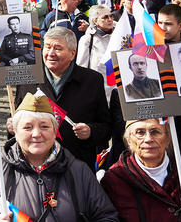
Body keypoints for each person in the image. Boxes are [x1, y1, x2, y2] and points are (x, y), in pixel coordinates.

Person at [0, 93, 118, 221]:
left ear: (55, 131)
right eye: (27, 127)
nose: (36, 134)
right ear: (15, 131)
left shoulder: (78, 170)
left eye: (44, 126)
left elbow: (107, 216)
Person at [12, 27, 112, 168]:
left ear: (72, 53)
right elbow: (18, 121)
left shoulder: (92, 80)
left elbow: (106, 128)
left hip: (77, 166)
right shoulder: (28, 78)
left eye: (58, 48)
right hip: (36, 165)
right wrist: (12, 126)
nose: (51, 53)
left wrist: (90, 131)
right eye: (47, 47)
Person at [101, 118, 181, 221]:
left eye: (155, 132)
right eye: (140, 132)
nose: (148, 139)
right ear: (129, 140)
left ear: (168, 139)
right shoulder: (114, 180)